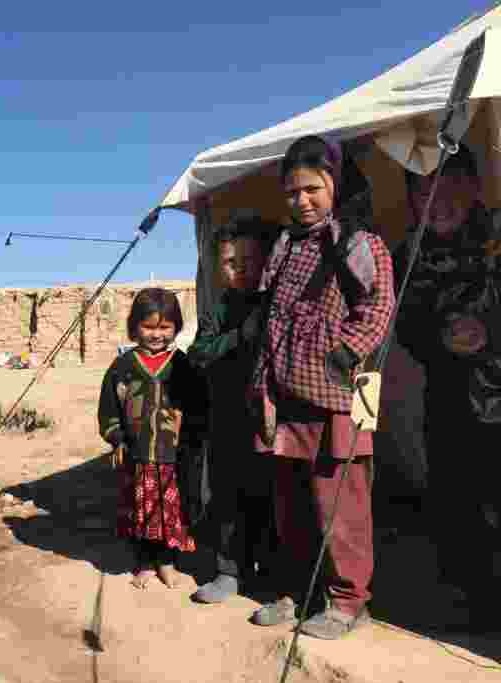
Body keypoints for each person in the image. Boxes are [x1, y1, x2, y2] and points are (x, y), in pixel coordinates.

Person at [249, 135, 394, 639]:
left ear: (336, 184)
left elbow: (378, 307)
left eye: (312, 189)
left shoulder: (359, 243)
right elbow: (273, 313)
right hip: (284, 392)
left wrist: (344, 354)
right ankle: (297, 591)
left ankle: (349, 601)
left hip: (336, 395)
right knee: (291, 505)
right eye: (292, 192)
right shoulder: (286, 246)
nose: (302, 201)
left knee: (341, 505)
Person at [391, 143, 501, 633]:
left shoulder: (497, 234)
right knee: (456, 501)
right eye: (423, 193)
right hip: (448, 397)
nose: (436, 202)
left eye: (449, 187)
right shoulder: (408, 254)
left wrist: (489, 331)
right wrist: (440, 335)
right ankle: (476, 605)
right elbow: (406, 324)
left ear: (474, 187)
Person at [188, 213, 280, 604]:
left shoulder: (276, 304)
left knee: (272, 496)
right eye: (230, 262)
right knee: (228, 496)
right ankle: (229, 570)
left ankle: (271, 573)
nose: (239, 269)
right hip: (227, 419)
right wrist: (240, 336)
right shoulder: (218, 310)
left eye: (248, 260)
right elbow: (199, 353)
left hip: (270, 419)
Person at [98, 288, 207, 589]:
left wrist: (191, 440)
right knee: (140, 509)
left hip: (173, 456)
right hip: (138, 455)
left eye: (164, 327)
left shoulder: (183, 365)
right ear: (135, 327)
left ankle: (167, 561)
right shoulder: (123, 366)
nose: (156, 334)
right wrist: (117, 438)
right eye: (148, 327)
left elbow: (198, 407)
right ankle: (145, 563)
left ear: (176, 327)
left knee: (169, 511)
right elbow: (109, 408)